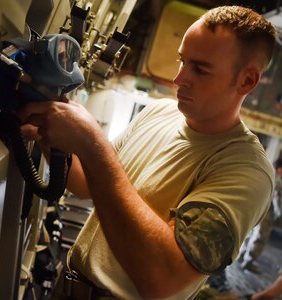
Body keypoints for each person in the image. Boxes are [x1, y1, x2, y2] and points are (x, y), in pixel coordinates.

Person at [19, 5, 277, 299]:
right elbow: (86, 183)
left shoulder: (247, 171)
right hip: (68, 286)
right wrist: (61, 142)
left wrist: (92, 144)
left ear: (247, 81)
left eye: (200, 69)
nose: (179, 79)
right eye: (182, 61)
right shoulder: (160, 112)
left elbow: (163, 280)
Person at [239, 158, 282, 274]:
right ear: (279, 169)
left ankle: (241, 255)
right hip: (267, 215)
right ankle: (248, 262)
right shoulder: (278, 181)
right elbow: (279, 204)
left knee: (250, 235)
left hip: (257, 210)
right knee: (259, 239)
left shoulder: (266, 174)